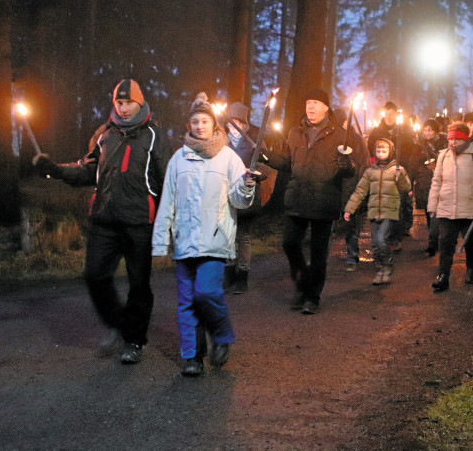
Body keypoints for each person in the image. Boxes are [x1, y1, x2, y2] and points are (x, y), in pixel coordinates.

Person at [33, 79, 172, 364]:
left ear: (139, 103)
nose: (122, 108)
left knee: (139, 285)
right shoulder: (105, 135)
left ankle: (134, 340)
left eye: (127, 103)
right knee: (94, 276)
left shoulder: (154, 136)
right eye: (118, 103)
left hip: (139, 222)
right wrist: (55, 170)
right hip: (105, 220)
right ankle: (121, 325)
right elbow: (86, 170)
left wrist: (168, 219)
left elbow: (169, 178)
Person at [151, 98, 255, 375]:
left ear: (213, 124)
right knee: (186, 301)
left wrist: (246, 187)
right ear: (189, 125)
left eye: (204, 121)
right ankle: (192, 357)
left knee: (206, 291)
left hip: (215, 239)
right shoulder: (178, 158)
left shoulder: (229, 157)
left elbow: (240, 202)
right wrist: (161, 240)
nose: (199, 126)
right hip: (185, 242)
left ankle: (221, 334)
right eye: (195, 122)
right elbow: (168, 201)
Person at [265, 89, 355, 314]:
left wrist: (348, 167)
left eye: (315, 102)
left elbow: (350, 168)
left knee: (318, 253)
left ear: (326, 107)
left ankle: (312, 297)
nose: (311, 107)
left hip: (324, 200)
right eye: (308, 102)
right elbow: (288, 163)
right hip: (298, 198)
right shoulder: (295, 132)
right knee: (289, 243)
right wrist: (267, 157)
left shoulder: (338, 134)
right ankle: (303, 282)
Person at [427, 123, 473, 291]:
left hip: (469, 207)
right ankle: (443, 276)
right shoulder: (444, 156)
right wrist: (433, 205)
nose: (453, 143)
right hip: (447, 207)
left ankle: (471, 268)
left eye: (457, 139)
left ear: (464, 139)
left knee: (470, 242)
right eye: (451, 139)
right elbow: (437, 181)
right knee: (445, 242)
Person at [222, 101, 277, 294]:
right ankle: (228, 276)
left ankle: (242, 278)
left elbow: (265, 167)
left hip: (247, 194)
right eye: (231, 122)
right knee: (227, 236)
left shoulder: (254, 142)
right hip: (226, 196)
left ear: (244, 124)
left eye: (238, 122)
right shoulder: (221, 141)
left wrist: (254, 174)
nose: (234, 127)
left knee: (243, 236)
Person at [344, 138, 411, 285]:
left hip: (390, 211)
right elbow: (360, 191)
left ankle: (387, 266)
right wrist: (350, 208)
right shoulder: (370, 172)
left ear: (391, 152)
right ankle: (379, 269)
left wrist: (400, 178)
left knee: (381, 240)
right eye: (378, 151)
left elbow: (406, 188)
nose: (381, 154)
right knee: (375, 244)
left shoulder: (397, 170)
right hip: (374, 212)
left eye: (384, 151)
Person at [367, 101, 414, 247]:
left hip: (399, 173)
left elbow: (410, 152)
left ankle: (395, 238)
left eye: (391, 114)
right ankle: (382, 237)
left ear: (395, 114)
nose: (388, 116)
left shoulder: (404, 132)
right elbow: (370, 151)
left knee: (397, 207)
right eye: (386, 113)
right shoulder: (376, 132)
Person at [333, 107, 371, 271]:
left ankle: (352, 255)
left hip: (350, 186)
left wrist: (360, 189)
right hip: (333, 186)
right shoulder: (331, 138)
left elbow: (363, 163)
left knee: (350, 223)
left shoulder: (355, 139)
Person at [407, 118, 446, 256]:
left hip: (441, 182)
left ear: (435, 131)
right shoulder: (419, 146)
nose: (427, 133)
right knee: (430, 214)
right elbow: (413, 165)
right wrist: (410, 182)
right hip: (424, 183)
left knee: (438, 214)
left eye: (430, 130)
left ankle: (435, 242)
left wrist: (437, 166)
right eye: (425, 130)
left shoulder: (443, 144)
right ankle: (433, 241)